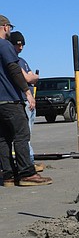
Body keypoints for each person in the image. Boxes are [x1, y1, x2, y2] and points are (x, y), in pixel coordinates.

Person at [0, 14, 51, 186]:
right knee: (21, 135)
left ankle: (7, 175)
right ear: (5, 27)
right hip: (10, 100)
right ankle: (26, 173)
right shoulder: (4, 45)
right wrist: (27, 93)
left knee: (3, 139)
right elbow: (14, 69)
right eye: (10, 28)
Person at [8, 31, 43, 172]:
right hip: (20, 101)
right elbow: (29, 79)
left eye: (22, 45)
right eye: (18, 45)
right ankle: (28, 164)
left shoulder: (22, 61)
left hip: (29, 101)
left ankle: (27, 162)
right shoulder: (12, 62)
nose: (20, 47)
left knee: (26, 134)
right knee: (22, 135)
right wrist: (33, 77)